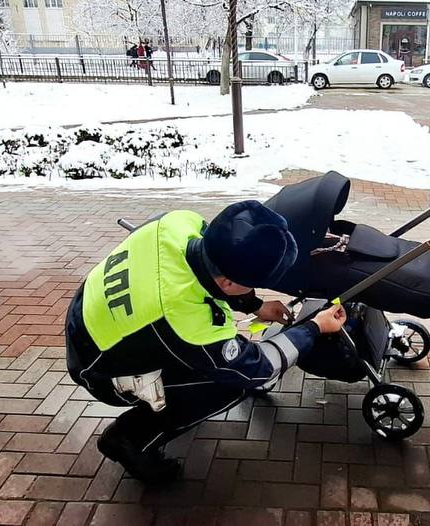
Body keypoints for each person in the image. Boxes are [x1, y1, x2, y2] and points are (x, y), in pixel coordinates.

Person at [65, 201, 346, 484]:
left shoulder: (178, 222)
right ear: (229, 283)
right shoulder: (186, 318)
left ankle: (165, 398)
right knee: (230, 383)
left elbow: (211, 271)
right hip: (100, 370)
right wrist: (313, 328)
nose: (256, 287)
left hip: (90, 318)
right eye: (254, 283)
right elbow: (253, 368)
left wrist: (255, 305)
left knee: (203, 359)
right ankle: (129, 439)